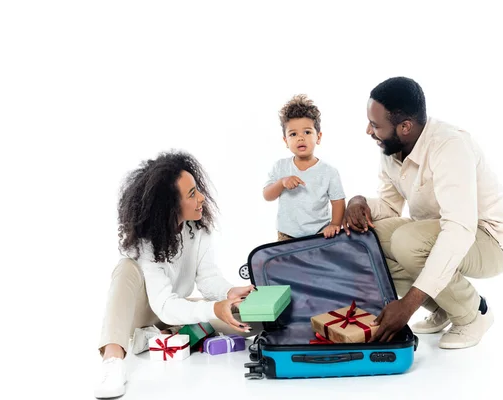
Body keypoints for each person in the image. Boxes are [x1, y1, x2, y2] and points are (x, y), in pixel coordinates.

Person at [343, 77, 503, 349]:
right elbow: (390, 207)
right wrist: (357, 201)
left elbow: (459, 230)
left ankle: (473, 315)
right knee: (369, 241)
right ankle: (444, 308)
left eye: (376, 125)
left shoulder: (449, 145)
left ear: (405, 127)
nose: (368, 130)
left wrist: (408, 306)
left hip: (488, 240)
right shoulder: (391, 147)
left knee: (407, 242)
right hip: (437, 233)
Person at [95, 150, 258, 398]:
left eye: (197, 189)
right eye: (192, 194)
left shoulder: (197, 229)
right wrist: (214, 309)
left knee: (252, 321)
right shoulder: (147, 242)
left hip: (172, 313)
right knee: (125, 268)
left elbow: (206, 277)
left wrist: (228, 292)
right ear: (169, 206)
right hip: (152, 310)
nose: (202, 197)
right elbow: (165, 306)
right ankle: (113, 360)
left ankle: (153, 337)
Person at [263, 94, 346, 241]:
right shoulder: (280, 166)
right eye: (293, 134)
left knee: (319, 263)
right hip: (286, 235)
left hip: (320, 233)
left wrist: (334, 224)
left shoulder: (329, 172)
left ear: (318, 137)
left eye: (307, 132)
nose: (300, 138)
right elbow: (267, 195)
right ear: (286, 141)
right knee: (289, 264)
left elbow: (338, 201)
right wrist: (281, 183)